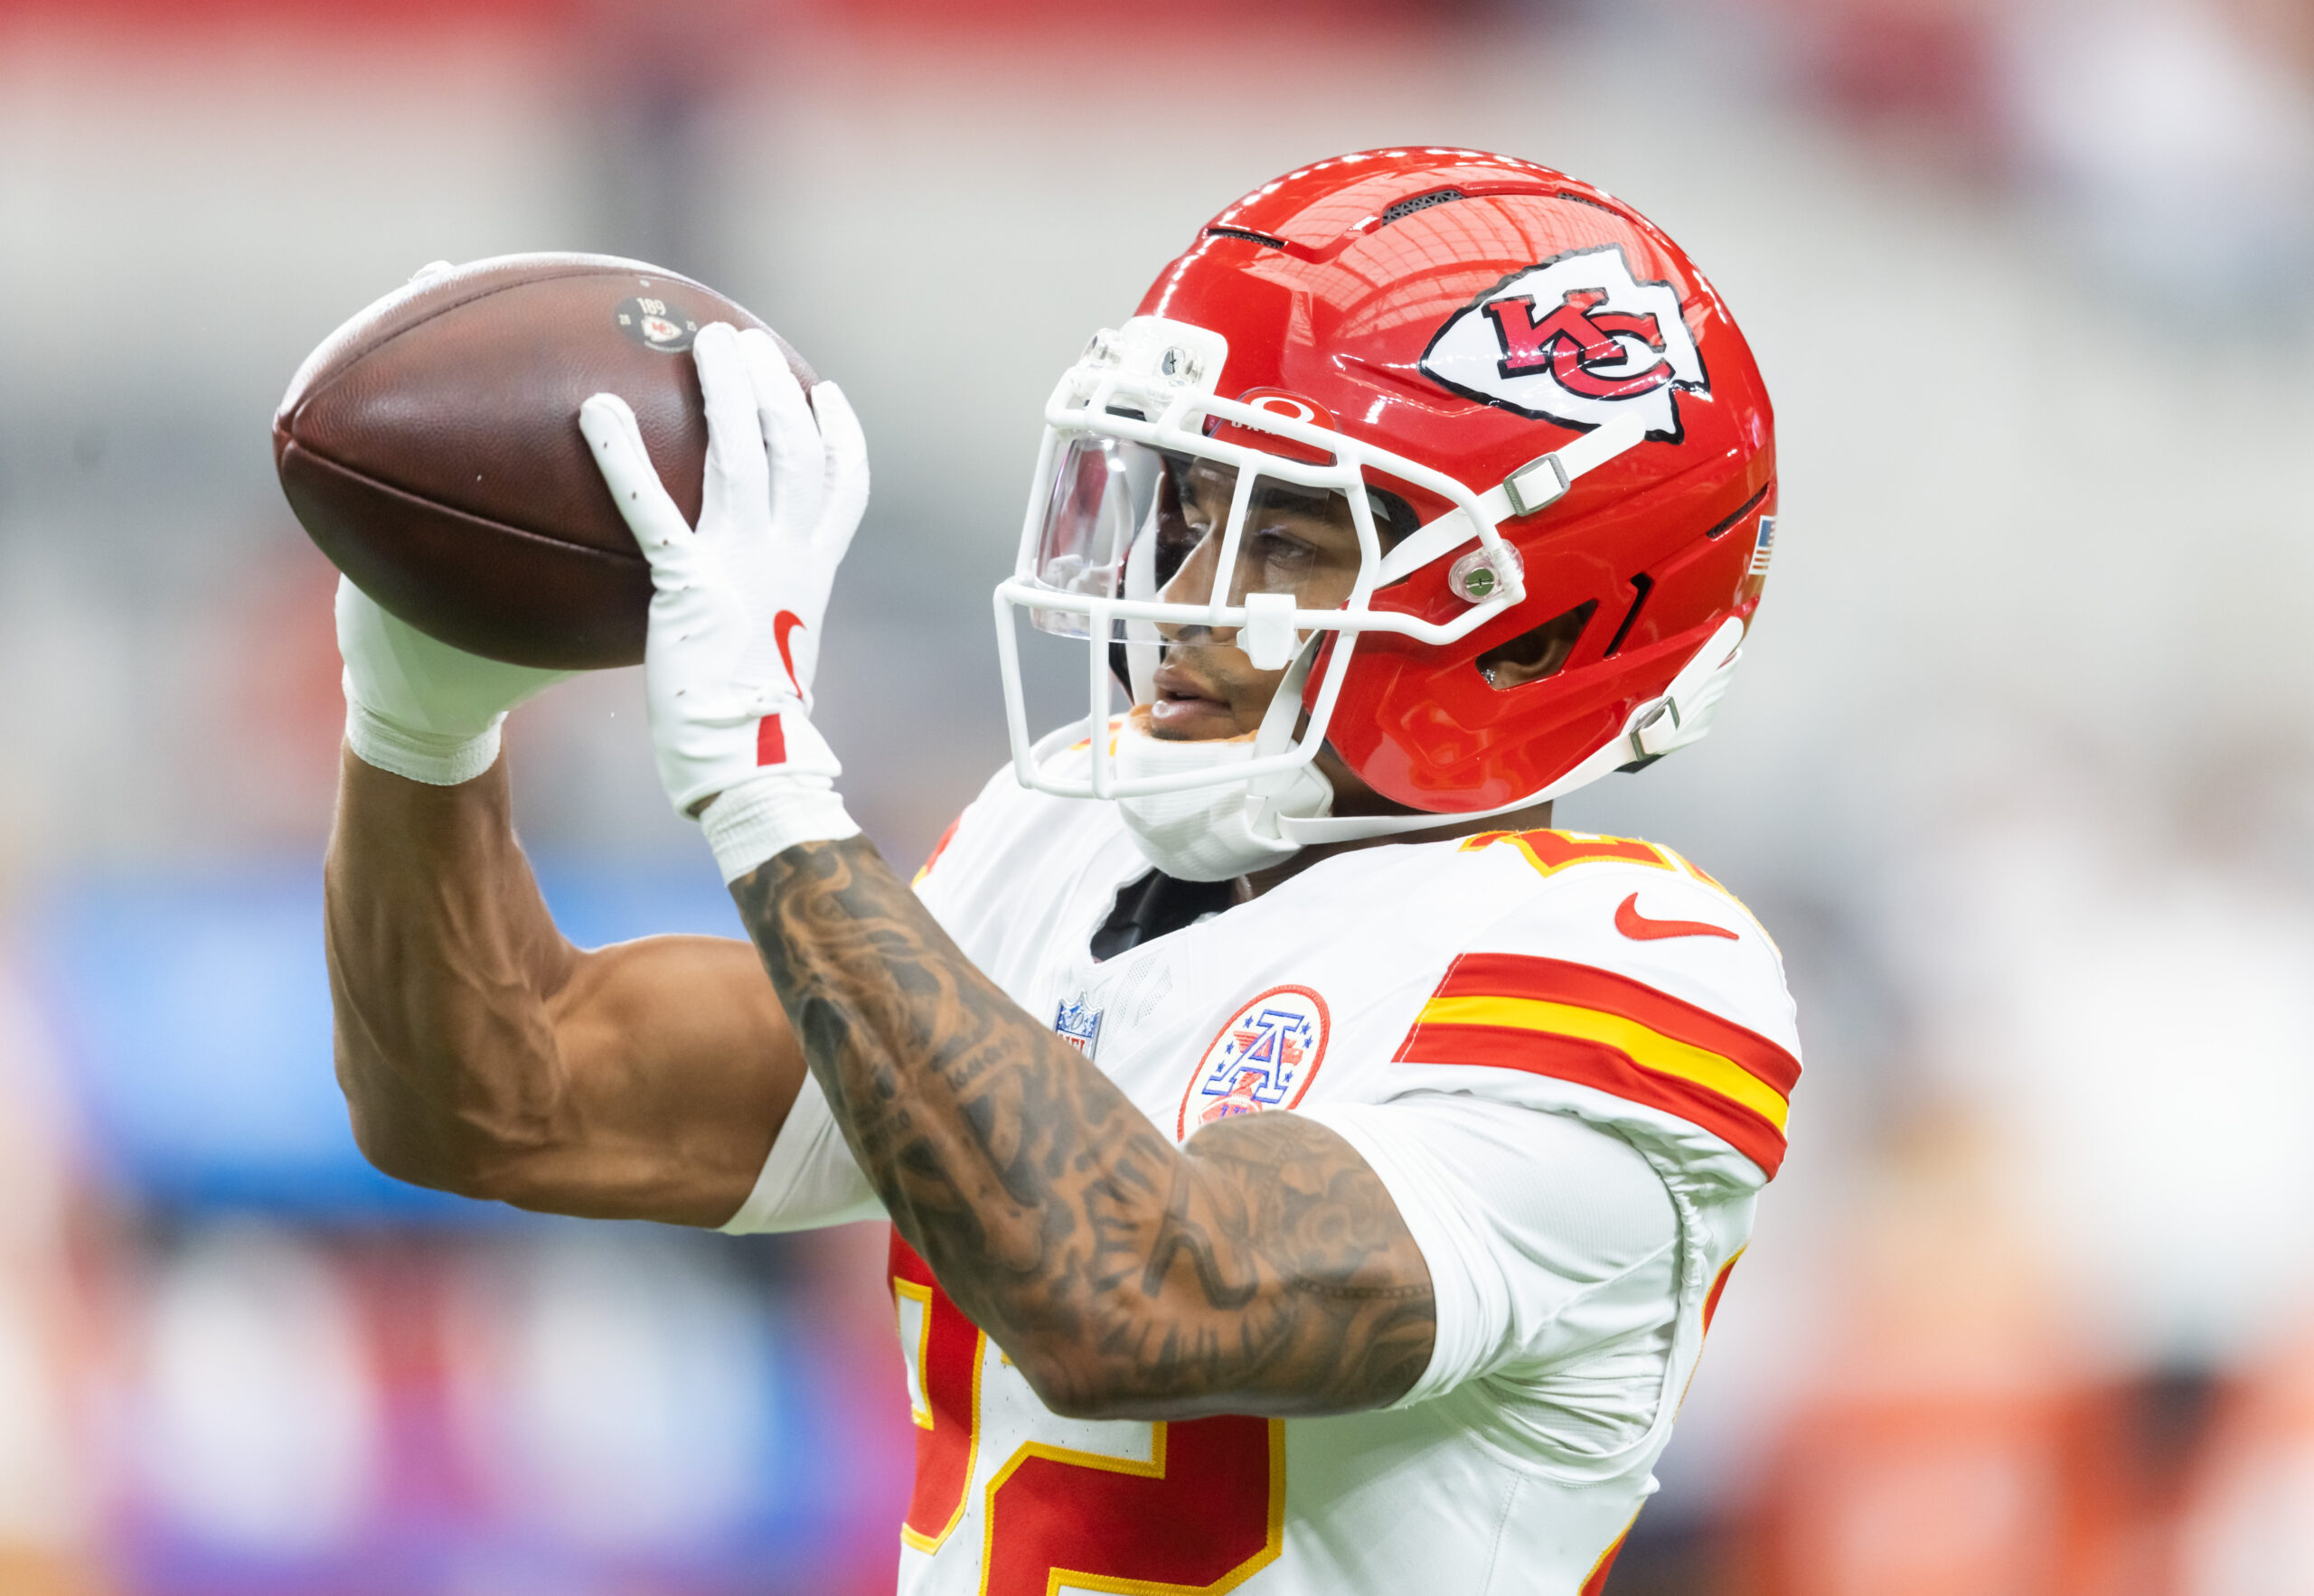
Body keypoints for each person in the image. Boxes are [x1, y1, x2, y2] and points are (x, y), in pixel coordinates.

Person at [325, 147, 1799, 1594]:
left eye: (1288, 539)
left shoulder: (1631, 965)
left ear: (1539, 630)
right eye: (1190, 510)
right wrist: (422, 728)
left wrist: (768, 785)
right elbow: (506, 1095)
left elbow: (1139, 1298)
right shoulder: (1075, 836)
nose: (1183, 598)